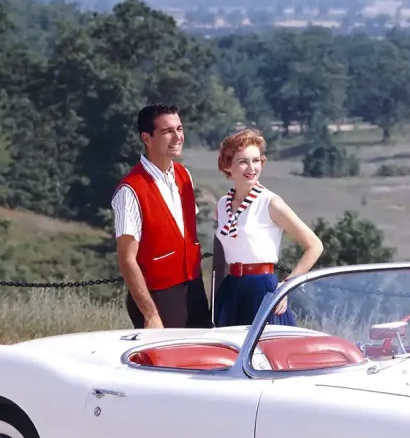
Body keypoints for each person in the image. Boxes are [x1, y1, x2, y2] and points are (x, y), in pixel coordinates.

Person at [112, 103, 212, 330]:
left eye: (179, 129)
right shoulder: (130, 190)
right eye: (167, 131)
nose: (178, 137)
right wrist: (151, 315)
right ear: (146, 138)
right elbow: (127, 260)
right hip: (159, 296)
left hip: (194, 289)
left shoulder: (184, 175)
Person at [213, 128, 323, 327]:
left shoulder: (270, 202)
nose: (251, 168)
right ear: (228, 165)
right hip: (231, 289)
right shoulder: (222, 204)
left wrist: (286, 286)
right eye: (243, 161)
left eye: (256, 160)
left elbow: (314, 245)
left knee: (266, 346)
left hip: (263, 289)